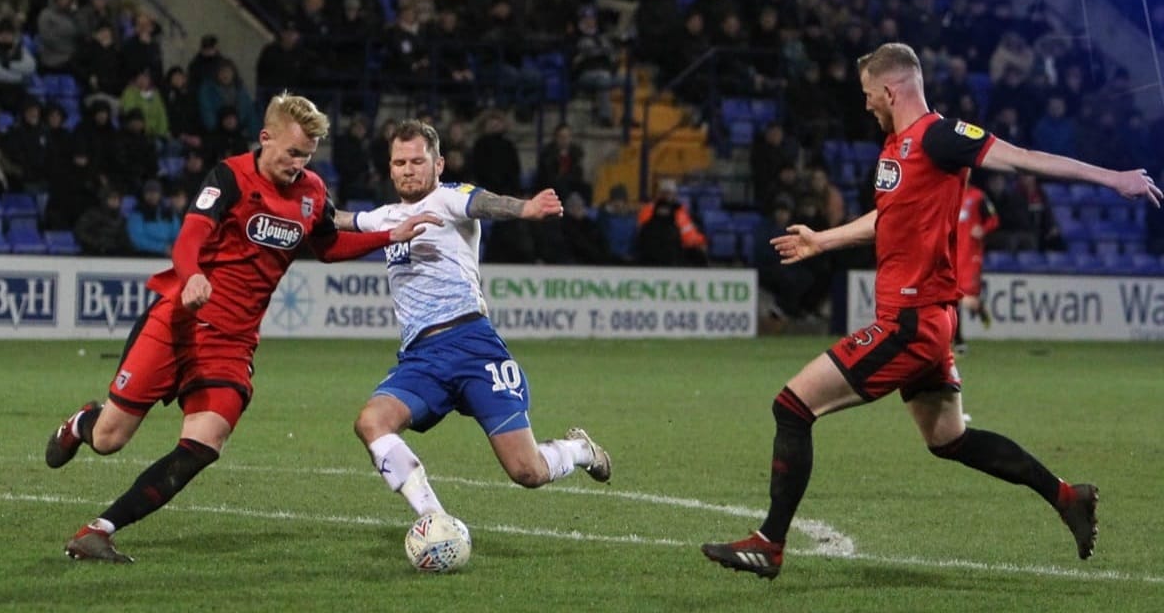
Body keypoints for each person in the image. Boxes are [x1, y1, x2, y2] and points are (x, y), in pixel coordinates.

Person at [702, 43, 1160, 579]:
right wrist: (823, 240)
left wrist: (1113, 178)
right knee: (948, 438)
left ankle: (769, 544)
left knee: (793, 406)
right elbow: (888, 218)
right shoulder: (898, 148)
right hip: (927, 320)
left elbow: (1022, 158)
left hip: (910, 322)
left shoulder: (941, 137)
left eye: (868, 94)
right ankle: (1067, 497)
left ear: (890, 89)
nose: (866, 104)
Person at [41, 93, 441, 562]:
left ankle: (99, 531)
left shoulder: (312, 192)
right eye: (292, 153)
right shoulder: (229, 177)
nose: (298, 164)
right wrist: (192, 275)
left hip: (231, 343)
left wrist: (388, 237)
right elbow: (188, 239)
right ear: (265, 137)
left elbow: (328, 246)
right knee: (109, 439)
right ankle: (81, 423)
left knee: (204, 443)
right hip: (178, 323)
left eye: (307, 156)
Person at [330, 120, 612, 524]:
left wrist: (525, 208)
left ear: (438, 164)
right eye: (399, 163)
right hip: (422, 359)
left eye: (417, 161)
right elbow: (342, 220)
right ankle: (434, 520)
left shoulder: (448, 198)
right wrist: (300, 206)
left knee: (527, 471)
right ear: (389, 168)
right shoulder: (385, 218)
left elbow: (484, 203)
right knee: (371, 422)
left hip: (473, 347)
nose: (408, 170)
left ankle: (579, 450)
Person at [954, 182, 998, 352]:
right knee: (953, 301)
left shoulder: (978, 196)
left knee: (968, 302)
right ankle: (959, 341)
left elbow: (994, 219)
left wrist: (983, 228)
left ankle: (979, 308)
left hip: (971, 255)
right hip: (953, 255)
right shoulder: (950, 194)